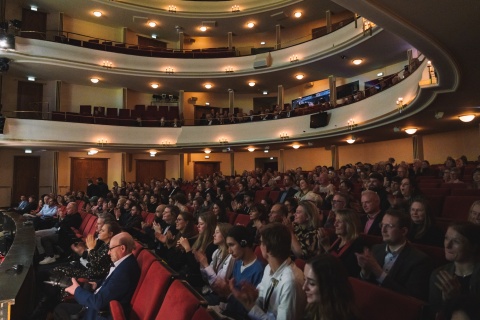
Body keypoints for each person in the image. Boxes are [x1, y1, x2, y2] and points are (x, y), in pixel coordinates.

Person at [53, 232, 141, 320]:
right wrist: (96, 283)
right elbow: (110, 281)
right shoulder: (125, 263)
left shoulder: (124, 271)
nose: (108, 253)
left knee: (60, 310)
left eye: (111, 249)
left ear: (122, 248)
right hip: (96, 303)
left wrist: (76, 291)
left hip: (99, 313)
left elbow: (98, 303)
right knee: (61, 308)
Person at [230, 223, 306, 320]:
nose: (259, 246)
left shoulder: (290, 282)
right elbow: (260, 300)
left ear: (268, 249)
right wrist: (251, 298)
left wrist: (250, 306)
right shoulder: (269, 268)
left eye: (261, 242)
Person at [355, 209, 432, 300]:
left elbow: (412, 300)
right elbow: (364, 286)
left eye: (389, 226)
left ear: (403, 231)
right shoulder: (376, 249)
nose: (383, 230)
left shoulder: (419, 260)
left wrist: (379, 272)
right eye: (382, 225)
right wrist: (365, 271)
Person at [429, 222, 480, 319]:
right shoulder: (438, 274)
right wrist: (446, 300)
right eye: (446, 238)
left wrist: (457, 298)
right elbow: (435, 313)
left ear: (473, 247)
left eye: (456, 241)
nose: (447, 245)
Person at [212, 225, 264, 319]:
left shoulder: (259, 270)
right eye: (228, 246)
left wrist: (228, 294)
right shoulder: (238, 263)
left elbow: (250, 309)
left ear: (244, 243)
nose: (229, 251)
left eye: (232, 245)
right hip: (229, 310)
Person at [53, 220, 122, 280]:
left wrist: (91, 249)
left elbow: (95, 264)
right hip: (88, 269)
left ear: (110, 234)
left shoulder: (110, 247)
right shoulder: (105, 244)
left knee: (57, 270)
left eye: (103, 231)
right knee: (56, 269)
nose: (99, 232)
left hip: (91, 275)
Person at [303, 255, 357, 320]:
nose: (304, 287)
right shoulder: (314, 308)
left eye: (312, 283)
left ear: (329, 287)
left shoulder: (345, 316)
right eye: (304, 279)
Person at [195, 223, 235, 306]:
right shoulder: (216, 252)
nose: (213, 235)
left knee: (194, 302)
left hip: (220, 297)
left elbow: (219, 285)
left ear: (225, 235)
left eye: (217, 232)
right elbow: (205, 278)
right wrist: (202, 264)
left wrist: (205, 265)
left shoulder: (231, 257)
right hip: (209, 290)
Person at [318, 208, 365, 277]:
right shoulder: (337, 239)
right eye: (335, 221)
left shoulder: (358, 243)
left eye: (339, 222)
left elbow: (344, 269)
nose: (335, 224)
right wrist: (320, 245)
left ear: (349, 225)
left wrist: (327, 247)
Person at [178, 211, 218, 288]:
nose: (198, 226)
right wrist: (183, 250)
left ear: (209, 226)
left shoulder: (212, 246)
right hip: (187, 276)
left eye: (201, 224)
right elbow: (183, 262)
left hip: (198, 284)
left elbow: (196, 270)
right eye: (198, 223)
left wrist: (187, 249)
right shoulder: (197, 239)